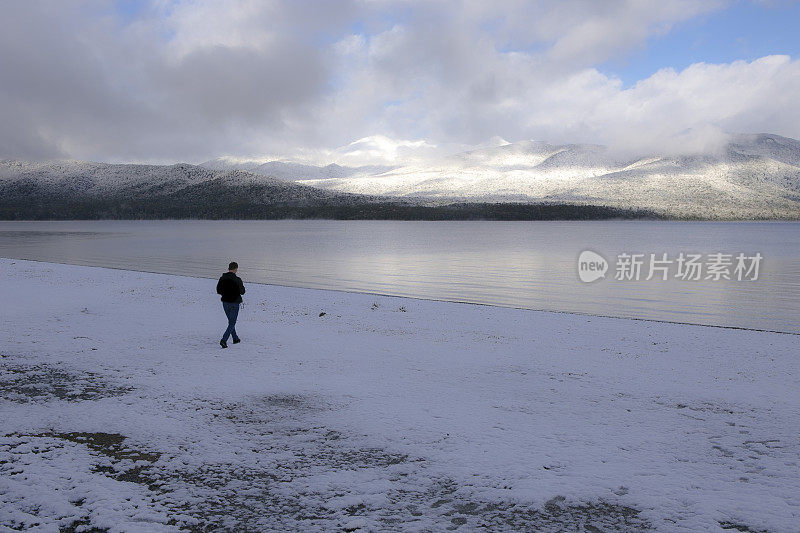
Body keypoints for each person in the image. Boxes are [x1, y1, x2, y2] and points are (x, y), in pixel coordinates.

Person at [216, 261, 245, 348]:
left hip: (225, 302)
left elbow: (218, 290)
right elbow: (242, 292)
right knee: (232, 322)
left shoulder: (222, 278)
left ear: (229, 268)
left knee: (231, 322)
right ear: (236, 269)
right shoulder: (237, 280)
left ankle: (235, 338)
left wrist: (225, 294)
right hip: (234, 303)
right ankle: (224, 340)